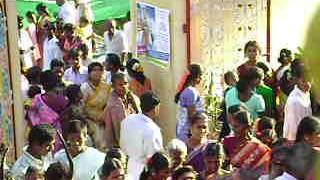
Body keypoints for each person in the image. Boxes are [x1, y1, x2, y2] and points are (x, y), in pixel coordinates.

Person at [120, 92, 163, 180]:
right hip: (145, 172)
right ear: (155, 108)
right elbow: (156, 157)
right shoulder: (153, 130)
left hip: (129, 166)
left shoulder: (127, 120)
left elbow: (122, 145)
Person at [223, 110, 271, 174]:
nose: (233, 129)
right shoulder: (228, 141)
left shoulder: (258, 146)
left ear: (247, 127)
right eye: (233, 126)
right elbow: (223, 164)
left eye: (236, 126)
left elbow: (264, 168)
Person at [103, 73, 140, 148]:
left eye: (125, 83)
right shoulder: (112, 105)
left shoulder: (133, 98)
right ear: (113, 86)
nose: (124, 87)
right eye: (120, 85)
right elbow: (110, 129)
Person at [81, 62, 111, 150]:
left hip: (104, 117)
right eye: (94, 70)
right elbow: (81, 106)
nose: (97, 72)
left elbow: (109, 104)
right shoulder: (85, 87)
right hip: (89, 118)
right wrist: (91, 118)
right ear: (89, 73)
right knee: (99, 139)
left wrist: (104, 117)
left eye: (100, 70)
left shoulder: (107, 87)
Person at [283, 59, 312, 142]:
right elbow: (293, 129)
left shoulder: (306, 94)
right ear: (296, 80)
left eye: (310, 80)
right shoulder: (294, 101)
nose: (308, 84)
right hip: (296, 143)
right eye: (304, 81)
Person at [175, 64, 204, 142]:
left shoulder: (188, 90)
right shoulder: (190, 92)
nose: (201, 78)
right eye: (201, 75)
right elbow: (192, 116)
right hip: (188, 135)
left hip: (184, 132)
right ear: (196, 76)